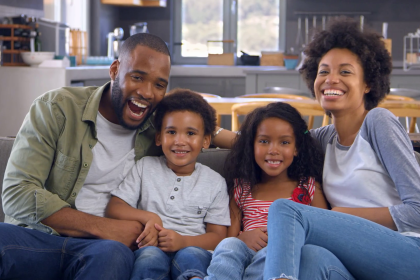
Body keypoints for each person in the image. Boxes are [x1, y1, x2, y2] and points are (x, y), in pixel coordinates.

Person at [0, 33, 235, 279]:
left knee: (113, 256)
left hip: (101, 251)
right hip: (37, 237)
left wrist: (245, 139)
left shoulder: (159, 130)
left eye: (159, 84)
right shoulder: (57, 108)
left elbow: (198, 128)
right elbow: (18, 193)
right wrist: (106, 227)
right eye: (137, 77)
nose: (147, 92)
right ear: (115, 70)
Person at [263, 17, 420, 280]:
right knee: (311, 257)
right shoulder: (325, 139)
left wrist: (344, 215)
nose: (331, 79)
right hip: (357, 261)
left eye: (345, 72)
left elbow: (417, 212)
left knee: (285, 210)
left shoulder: (377, 122)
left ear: (367, 83)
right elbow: (263, 140)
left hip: (407, 253)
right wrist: (207, 134)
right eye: (323, 71)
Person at [189, 102, 328, 280]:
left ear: (296, 148)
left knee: (271, 253)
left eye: (284, 142)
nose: (273, 150)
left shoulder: (308, 188)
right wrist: (243, 238)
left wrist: (284, 241)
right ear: (251, 146)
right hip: (246, 254)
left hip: (283, 261)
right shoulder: (242, 189)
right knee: (230, 245)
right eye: (264, 141)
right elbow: (226, 241)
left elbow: (322, 235)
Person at [105, 88, 230, 280]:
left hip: (193, 246)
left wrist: (183, 241)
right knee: (149, 257)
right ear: (158, 138)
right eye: (171, 132)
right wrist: (149, 216)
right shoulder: (145, 167)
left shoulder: (215, 182)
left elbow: (218, 235)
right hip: (151, 247)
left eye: (190, 133)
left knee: (192, 256)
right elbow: (114, 208)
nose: (180, 141)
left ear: (206, 140)